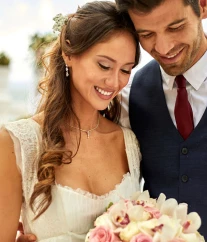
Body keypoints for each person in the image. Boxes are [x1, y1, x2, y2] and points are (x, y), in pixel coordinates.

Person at [0, 1, 141, 241]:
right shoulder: (16, 144)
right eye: (104, 65)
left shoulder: (127, 142)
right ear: (69, 54)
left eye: (126, 70)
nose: (115, 82)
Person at [114, 0, 207, 241]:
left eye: (175, 27)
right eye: (146, 34)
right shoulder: (129, 96)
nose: (163, 47)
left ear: (203, 6)